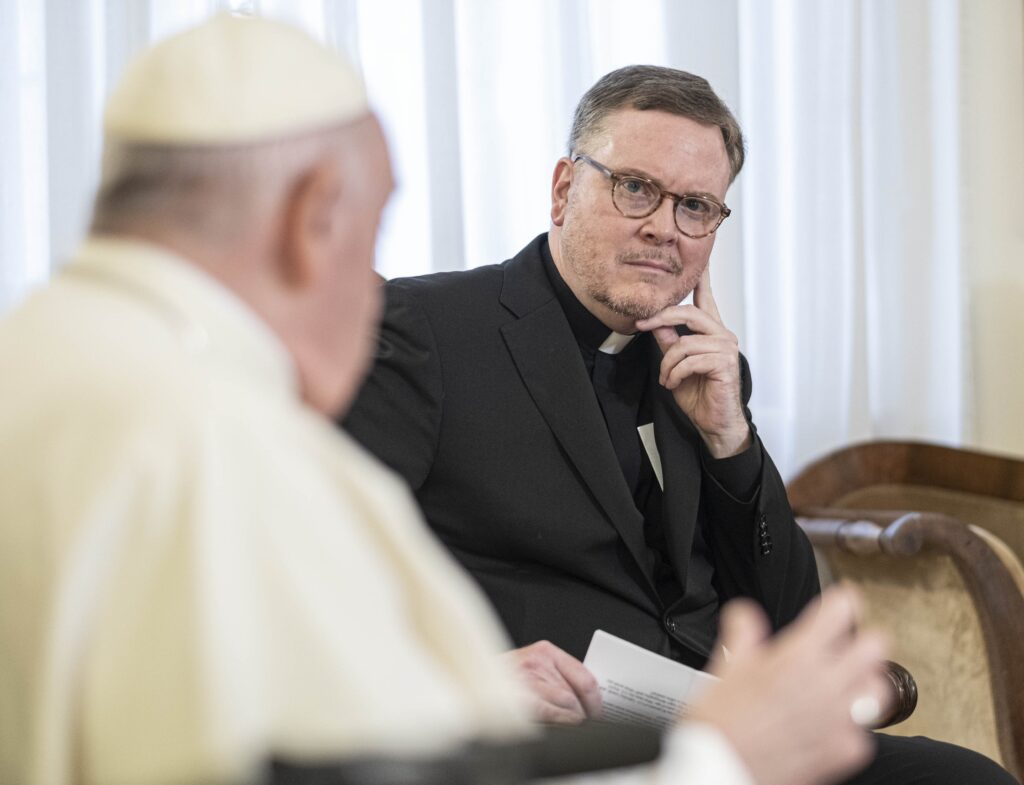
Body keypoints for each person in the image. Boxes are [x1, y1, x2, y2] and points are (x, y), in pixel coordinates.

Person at [343, 65, 1018, 785]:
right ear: (564, 189)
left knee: (964, 780)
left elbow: (786, 622)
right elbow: (321, 564)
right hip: (549, 748)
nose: (665, 227)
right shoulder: (429, 332)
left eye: (696, 206)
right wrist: (469, 678)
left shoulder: (703, 368)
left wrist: (732, 443)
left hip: (708, 742)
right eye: (636, 187)